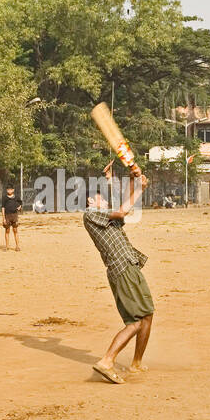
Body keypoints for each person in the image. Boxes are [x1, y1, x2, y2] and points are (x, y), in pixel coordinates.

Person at [83, 164, 154, 384]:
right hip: (122, 267)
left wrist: (133, 179)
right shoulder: (91, 213)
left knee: (148, 314)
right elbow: (123, 209)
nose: (105, 202)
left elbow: (124, 203)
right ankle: (107, 361)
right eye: (101, 199)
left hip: (129, 264)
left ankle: (136, 363)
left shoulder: (105, 216)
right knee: (135, 322)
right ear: (90, 202)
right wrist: (140, 189)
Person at [1, 186, 22, 251]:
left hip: (14, 215)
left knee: (15, 230)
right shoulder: (4, 198)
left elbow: (20, 203)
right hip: (7, 216)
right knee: (7, 230)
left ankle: (17, 246)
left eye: (10, 189)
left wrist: (20, 207)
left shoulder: (16, 197)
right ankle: (7, 246)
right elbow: (3, 208)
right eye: (8, 189)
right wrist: (3, 218)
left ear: (13, 190)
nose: (9, 191)